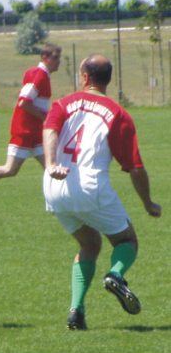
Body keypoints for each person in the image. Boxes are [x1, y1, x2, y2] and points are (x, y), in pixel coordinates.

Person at [42, 54, 161, 330]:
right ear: (109, 79)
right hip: (90, 186)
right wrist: (148, 203)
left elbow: (49, 131)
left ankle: (76, 311)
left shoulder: (62, 104)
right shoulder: (117, 114)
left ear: (84, 77)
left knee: (89, 244)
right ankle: (116, 275)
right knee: (126, 240)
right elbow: (135, 168)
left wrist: (50, 163)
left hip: (53, 187)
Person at [0, 43, 62, 206]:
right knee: (10, 169)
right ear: (45, 57)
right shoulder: (39, 75)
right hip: (25, 131)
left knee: (51, 167)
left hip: (35, 132)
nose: (59, 61)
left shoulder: (40, 74)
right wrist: (46, 117)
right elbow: (24, 102)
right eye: (55, 57)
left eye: (59, 57)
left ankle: (57, 202)